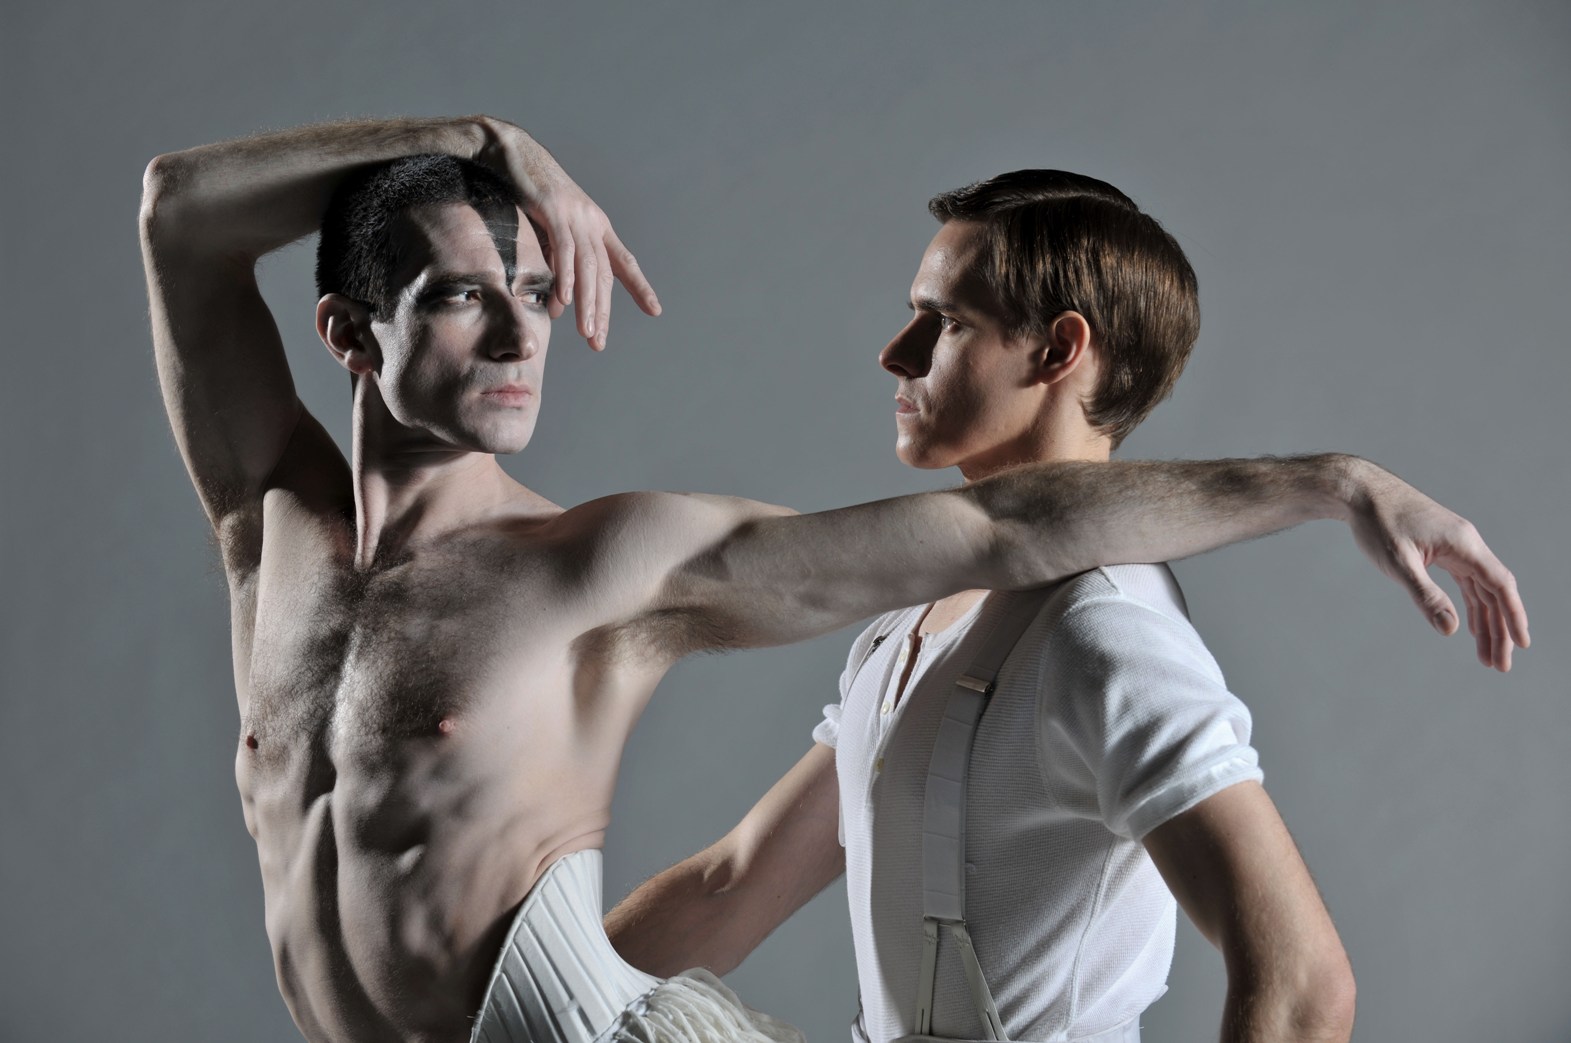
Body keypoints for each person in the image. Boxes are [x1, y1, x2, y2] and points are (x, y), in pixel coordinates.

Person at [137, 115, 1525, 1043]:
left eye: (539, 296)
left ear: (1054, 350)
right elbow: (734, 876)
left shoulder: (611, 567)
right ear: (348, 331)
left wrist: (1335, 477)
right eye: (458, 295)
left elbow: (1016, 532)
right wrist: (484, 139)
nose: (517, 333)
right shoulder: (273, 531)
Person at [604, 170, 1530, 1043]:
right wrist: (506, 1001)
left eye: (945, 321)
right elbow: (732, 886)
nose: (896, 353)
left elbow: (1303, 987)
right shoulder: (908, 623)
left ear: (1059, 349)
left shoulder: (1102, 633)